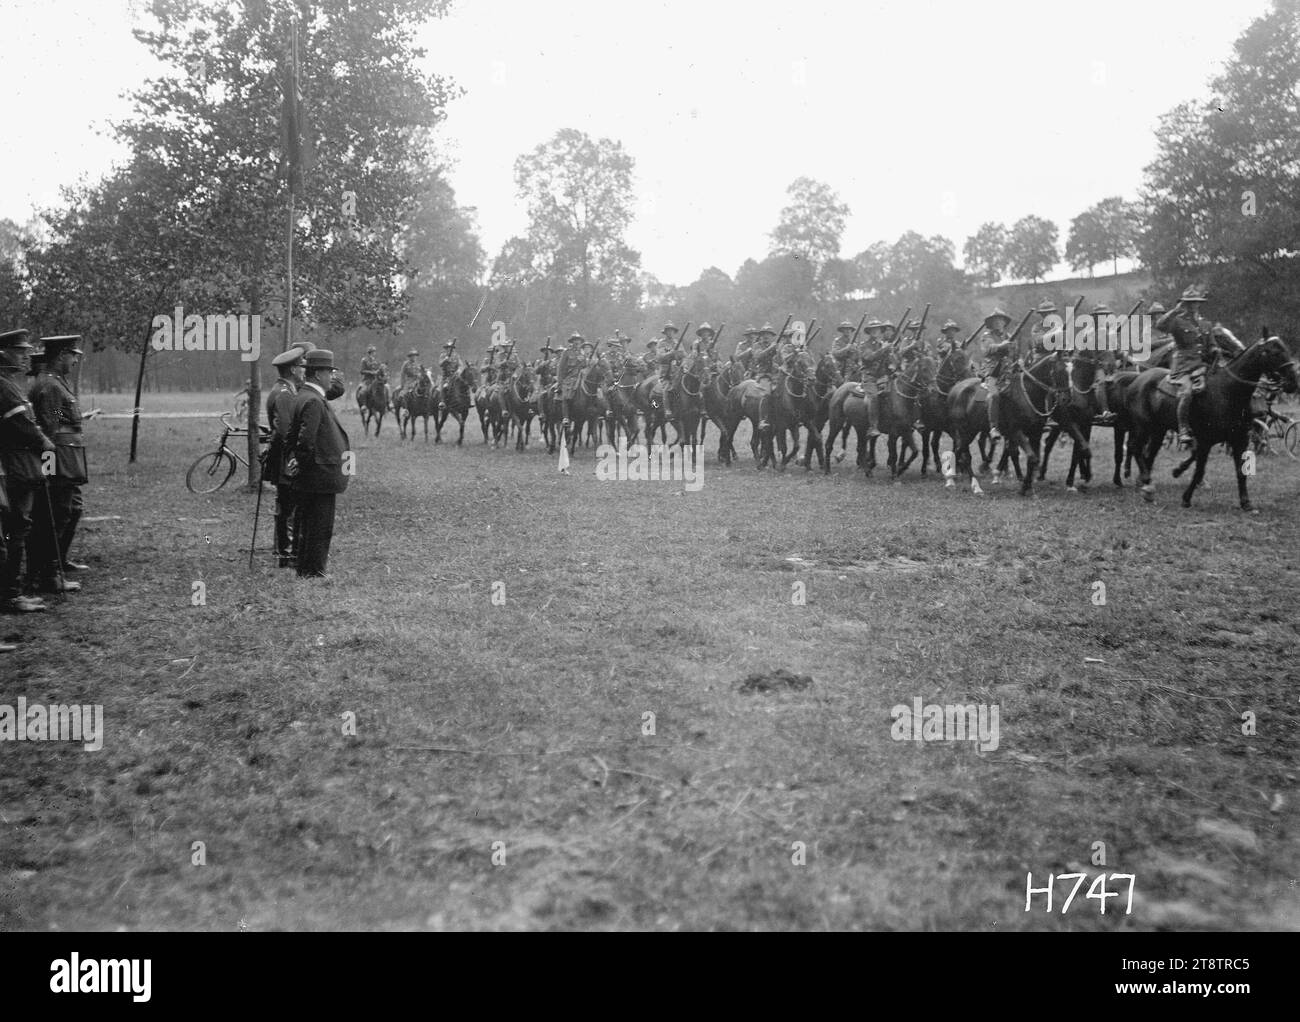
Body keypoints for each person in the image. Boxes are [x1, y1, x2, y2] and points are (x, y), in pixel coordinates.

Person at [0, 329, 55, 623]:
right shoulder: (8, 386)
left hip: (22, 460)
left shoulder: (12, 384)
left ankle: (12, 589)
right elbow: (28, 423)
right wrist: (45, 440)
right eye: (19, 351)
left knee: (18, 527)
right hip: (17, 463)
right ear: (3, 354)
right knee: (17, 527)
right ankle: (11, 592)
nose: (25, 356)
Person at [28, 335, 90, 594]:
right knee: (57, 512)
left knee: (70, 509)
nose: (75, 360)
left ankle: (57, 562)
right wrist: (48, 467)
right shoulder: (51, 386)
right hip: (57, 458)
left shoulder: (56, 383)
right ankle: (49, 572)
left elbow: (58, 416)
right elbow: (50, 425)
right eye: (73, 355)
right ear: (61, 355)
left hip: (66, 457)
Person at [285, 349, 350, 579]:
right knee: (319, 526)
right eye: (329, 372)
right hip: (318, 475)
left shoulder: (304, 396)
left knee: (309, 523)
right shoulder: (313, 400)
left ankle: (306, 568)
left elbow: (293, 437)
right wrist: (304, 466)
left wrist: (296, 464)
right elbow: (305, 441)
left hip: (314, 475)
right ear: (318, 374)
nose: (331, 377)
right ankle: (314, 570)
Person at [1157, 287, 1245, 447]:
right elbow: (1160, 325)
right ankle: (1183, 428)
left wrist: (1214, 349)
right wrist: (1174, 311)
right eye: (1189, 303)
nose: (1193, 306)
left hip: (1203, 365)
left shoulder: (1206, 324)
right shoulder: (1177, 322)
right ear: (1184, 304)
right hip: (1183, 366)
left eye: (1195, 303)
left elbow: (1210, 344)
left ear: (1199, 304)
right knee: (1187, 393)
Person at [266, 346, 305, 568]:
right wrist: (294, 456)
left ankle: (285, 553)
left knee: (286, 506)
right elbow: (284, 431)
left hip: (282, 458)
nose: (303, 371)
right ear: (292, 369)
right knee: (289, 508)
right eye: (300, 366)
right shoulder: (284, 395)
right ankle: (287, 555)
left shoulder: (282, 390)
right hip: (286, 459)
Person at [978, 310, 1013, 440]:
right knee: (994, 395)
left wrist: (1017, 358)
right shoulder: (986, 336)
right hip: (992, 371)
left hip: (1008, 371)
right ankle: (993, 427)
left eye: (1001, 320)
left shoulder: (1009, 336)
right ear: (991, 323)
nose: (998, 322)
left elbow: (1014, 352)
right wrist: (1001, 345)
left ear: (1004, 322)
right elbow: (987, 349)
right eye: (995, 321)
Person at [557, 333, 592, 428]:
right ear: (572, 342)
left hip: (581, 377)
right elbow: (560, 368)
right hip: (569, 379)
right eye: (575, 340)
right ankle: (565, 417)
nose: (577, 342)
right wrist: (560, 382)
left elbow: (586, 366)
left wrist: (584, 360)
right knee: (566, 396)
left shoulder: (582, 353)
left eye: (579, 340)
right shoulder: (567, 352)